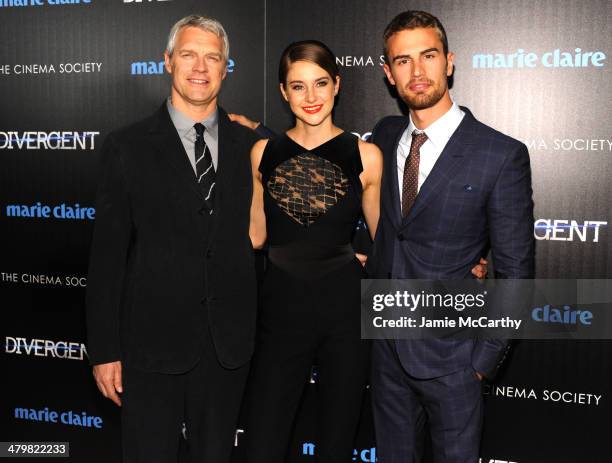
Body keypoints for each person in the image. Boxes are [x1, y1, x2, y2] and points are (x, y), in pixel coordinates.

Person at [85, 15, 260, 463]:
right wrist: (105, 351)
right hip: (149, 347)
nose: (200, 67)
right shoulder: (125, 147)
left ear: (226, 68)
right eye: (188, 54)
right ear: (167, 62)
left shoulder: (254, 146)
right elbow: (106, 259)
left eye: (212, 57)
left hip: (228, 348)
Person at [368, 11, 535, 462]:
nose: (417, 72)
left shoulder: (499, 155)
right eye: (402, 61)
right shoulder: (383, 138)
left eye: (428, 56)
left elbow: (517, 273)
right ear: (387, 73)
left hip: (454, 362)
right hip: (385, 354)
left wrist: (481, 364)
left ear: (450, 62)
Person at [242, 40, 383, 462]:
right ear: (283, 92)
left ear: (337, 85)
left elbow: (387, 242)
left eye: (320, 83)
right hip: (280, 311)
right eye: (298, 86)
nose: (311, 97)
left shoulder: (366, 156)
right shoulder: (262, 153)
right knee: (262, 442)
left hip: (344, 313)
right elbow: (255, 237)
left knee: (337, 441)